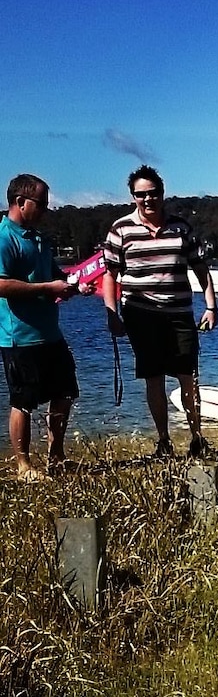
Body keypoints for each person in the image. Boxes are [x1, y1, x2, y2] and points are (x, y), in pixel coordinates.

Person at [102, 165, 218, 458]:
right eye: (140, 195)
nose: (147, 199)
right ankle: (164, 441)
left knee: (188, 375)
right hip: (140, 314)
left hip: (179, 313)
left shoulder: (181, 228)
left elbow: (201, 269)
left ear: (162, 193)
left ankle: (197, 438)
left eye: (153, 193)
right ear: (133, 197)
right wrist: (111, 313)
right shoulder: (120, 229)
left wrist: (211, 306)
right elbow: (109, 275)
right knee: (153, 378)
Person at [0, 174, 82, 480]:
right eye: (42, 203)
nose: (46, 209)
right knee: (23, 401)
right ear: (20, 202)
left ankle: (56, 457)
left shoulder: (38, 237)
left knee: (65, 391)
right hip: (19, 337)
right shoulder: (4, 238)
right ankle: (23, 466)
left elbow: (53, 275)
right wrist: (48, 288)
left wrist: (73, 285)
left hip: (50, 332)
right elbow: (1, 284)